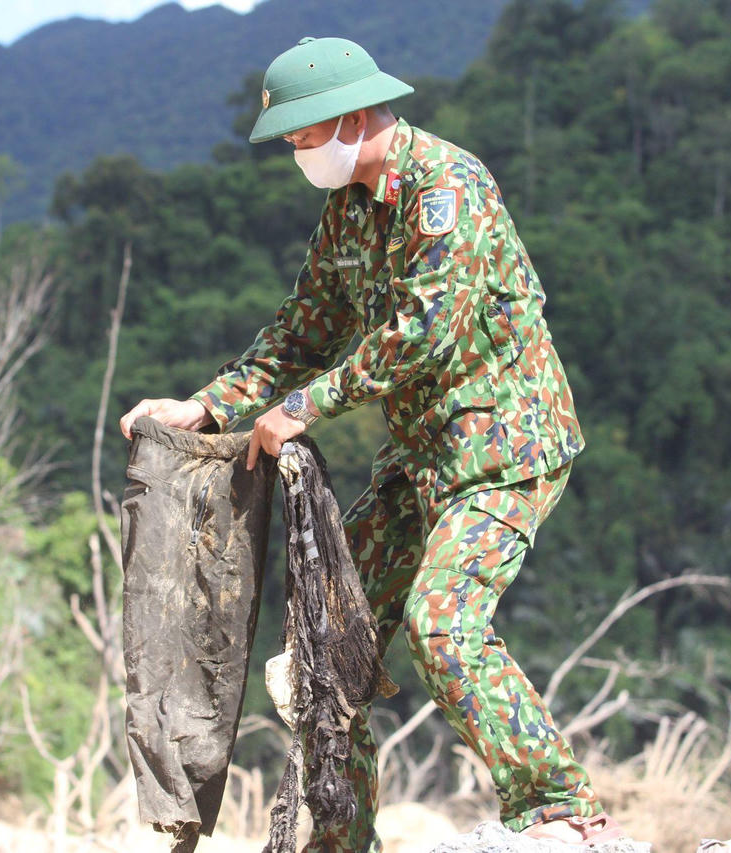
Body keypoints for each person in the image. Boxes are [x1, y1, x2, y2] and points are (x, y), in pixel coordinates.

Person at [119, 36, 626, 850]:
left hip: (503, 453)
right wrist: (206, 407)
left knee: (441, 623)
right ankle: (341, 834)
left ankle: (557, 805)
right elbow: (302, 331)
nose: (295, 151)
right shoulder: (348, 211)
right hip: (420, 459)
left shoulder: (449, 189)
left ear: (352, 117)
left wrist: (303, 406)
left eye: (302, 136)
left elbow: (422, 332)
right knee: (324, 641)